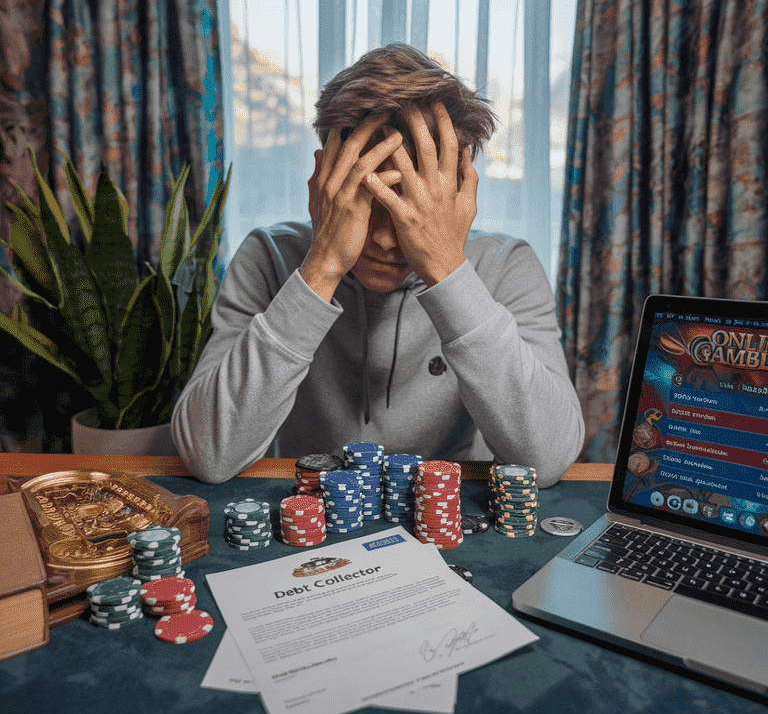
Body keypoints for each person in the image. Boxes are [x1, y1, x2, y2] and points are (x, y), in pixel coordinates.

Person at [171, 44, 584, 486]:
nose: (387, 240)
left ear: (458, 196)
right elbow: (207, 454)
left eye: (412, 207)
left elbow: (548, 457)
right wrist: (323, 265)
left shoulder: (506, 266)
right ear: (325, 183)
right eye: (367, 202)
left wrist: (446, 269)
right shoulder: (268, 258)